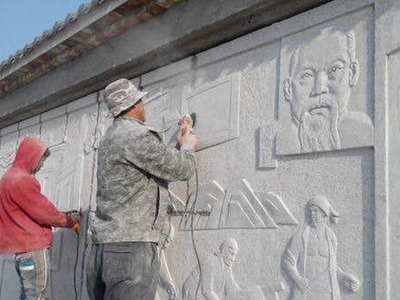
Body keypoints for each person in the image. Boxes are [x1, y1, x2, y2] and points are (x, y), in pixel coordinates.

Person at [87, 78, 199, 300]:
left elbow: (145, 164)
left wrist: (171, 148)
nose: (143, 106)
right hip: (130, 249)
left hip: (103, 247)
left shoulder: (109, 138)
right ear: (134, 104)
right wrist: (188, 146)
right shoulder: (136, 135)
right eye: (141, 101)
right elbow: (182, 169)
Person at [0, 137, 80, 300]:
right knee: (38, 296)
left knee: (29, 295)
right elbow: (43, 211)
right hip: (33, 251)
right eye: (41, 159)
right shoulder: (22, 180)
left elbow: (26, 211)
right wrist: (68, 220)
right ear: (31, 157)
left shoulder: (7, 179)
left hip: (22, 253)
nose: (42, 164)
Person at [277, 27, 373, 154]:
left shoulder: (364, 132)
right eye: (307, 75)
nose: (319, 89)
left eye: (334, 69)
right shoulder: (279, 140)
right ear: (288, 89)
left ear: (353, 73)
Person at [282, 195, 360, 299]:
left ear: (324, 214)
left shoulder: (331, 238)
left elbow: (331, 267)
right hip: (306, 292)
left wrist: (344, 278)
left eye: (315, 211)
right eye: (310, 211)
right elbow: (287, 262)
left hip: (327, 292)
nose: (312, 214)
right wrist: (298, 279)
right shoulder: (300, 236)